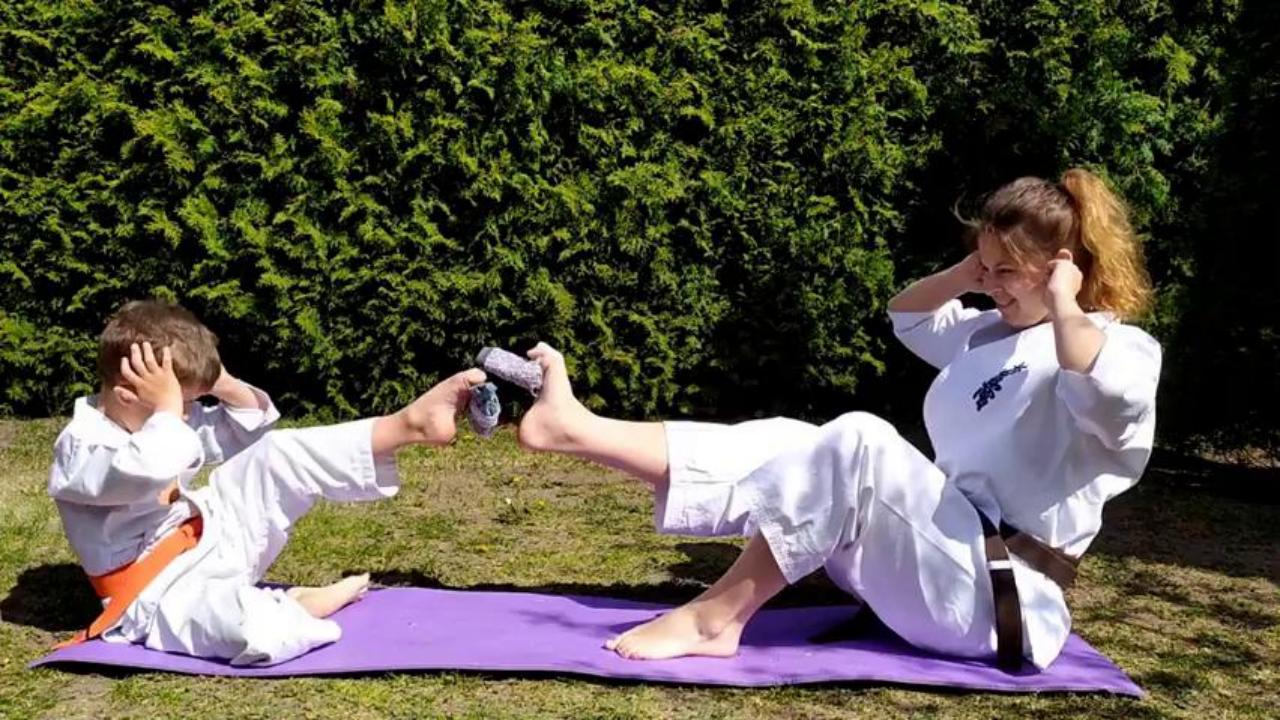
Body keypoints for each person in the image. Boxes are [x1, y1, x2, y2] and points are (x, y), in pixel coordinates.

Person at [516, 168, 1161, 669]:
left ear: (1062, 268)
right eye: (985, 268)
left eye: (1007, 272)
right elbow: (909, 314)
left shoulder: (1122, 348)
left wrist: (1064, 301)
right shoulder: (987, 335)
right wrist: (973, 271)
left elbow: (1105, 394)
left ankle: (717, 618)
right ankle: (576, 428)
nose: (991, 284)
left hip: (1000, 600)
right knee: (798, 441)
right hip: (932, 563)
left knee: (858, 440)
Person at [49, 300, 485, 665]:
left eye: (191, 403)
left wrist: (215, 379)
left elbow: (248, 423)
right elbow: (143, 467)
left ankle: (409, 424)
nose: (188, 414)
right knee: (240, 627)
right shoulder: (81, 448)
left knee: (277, 452)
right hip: (156, 594)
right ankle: (294, 605)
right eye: (184, 404)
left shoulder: (158, 415)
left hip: (211, 535)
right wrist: (167, 408)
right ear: (127, 394)